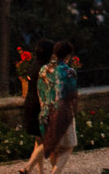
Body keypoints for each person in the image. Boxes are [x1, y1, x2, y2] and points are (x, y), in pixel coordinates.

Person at [38, 41, 78, 174]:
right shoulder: (69, 71)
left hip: (46, 110)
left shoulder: (44, 69)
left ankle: (55, 170)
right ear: (68, 55)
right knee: (68, 146)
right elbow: (72, 95)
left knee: (54, 147)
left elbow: (40, 91)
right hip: (62, 111)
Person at [17, 39, 54, 174]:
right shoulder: (45, 69)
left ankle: (40, 171)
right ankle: (28, 167)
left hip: (30, 104)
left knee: (39, 140)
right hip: (40, 106)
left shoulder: (33, 66)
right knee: (49, 139)